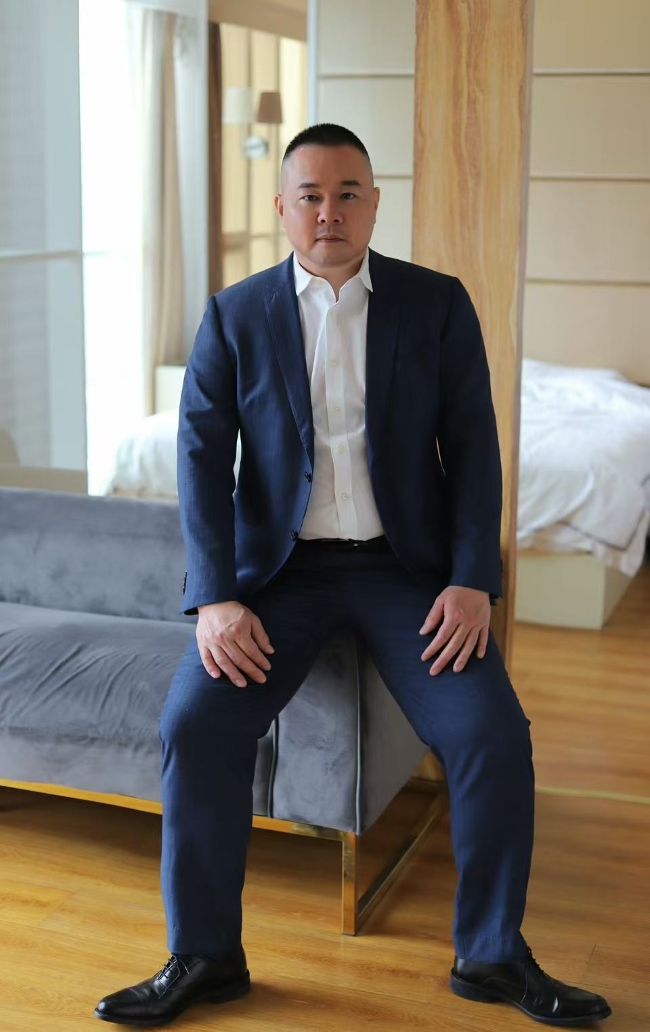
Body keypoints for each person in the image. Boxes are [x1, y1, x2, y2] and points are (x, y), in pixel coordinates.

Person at [94, 124, 611, 1028]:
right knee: (195, 724)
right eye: (310, 195)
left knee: (492, 732)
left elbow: (476, 450)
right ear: (283, 208)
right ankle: (205, 954)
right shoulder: (234, 315)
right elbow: (200, 462)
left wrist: (471, 579)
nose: (328, 211)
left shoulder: (435, 304)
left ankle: (491, 955)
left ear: (374, 204)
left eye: (347, 194)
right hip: (280, 577)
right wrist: (216, 596)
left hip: (405, 575)